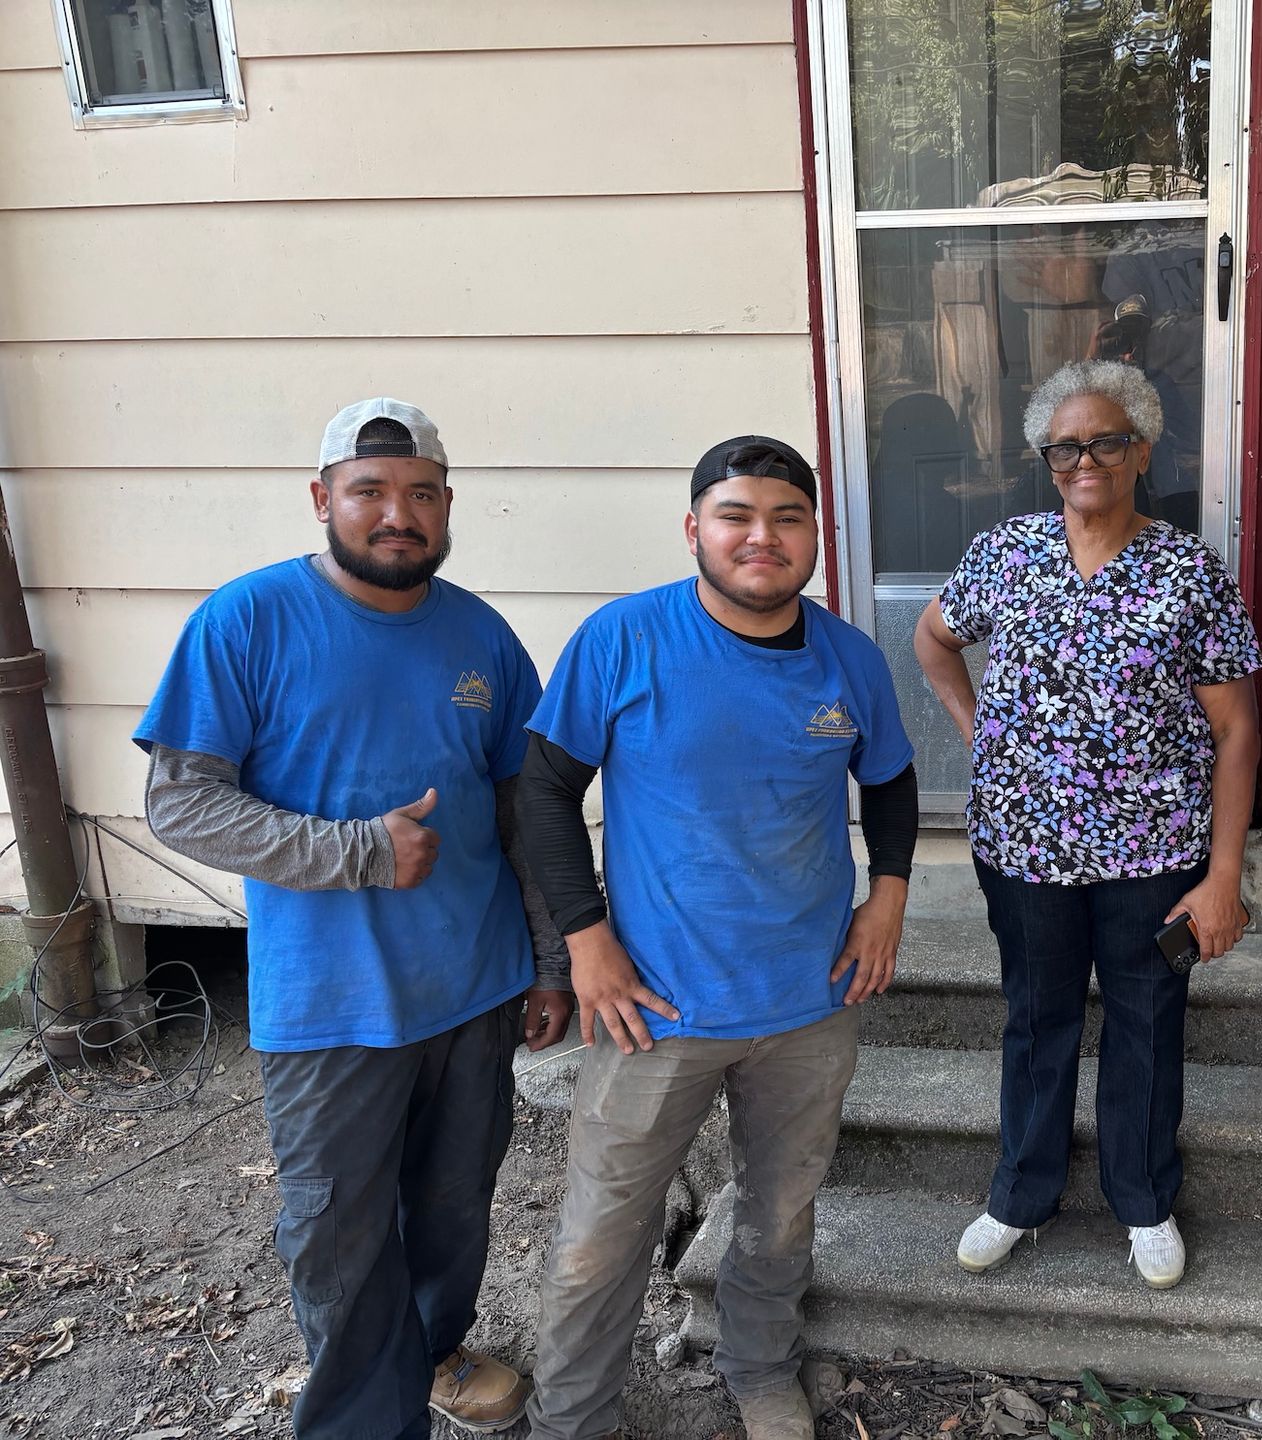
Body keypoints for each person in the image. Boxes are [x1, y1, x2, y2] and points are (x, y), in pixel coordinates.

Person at [134, 398, 573, 1438]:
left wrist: (551, 962)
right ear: (322, 498)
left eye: (420, 494)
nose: (396, 514)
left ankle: (431, 1352)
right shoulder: (246, 621)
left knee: (456, 1204)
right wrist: (356, 852)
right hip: (328, 1004)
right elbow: (180, 800)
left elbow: (527, 813)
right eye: (370, 491)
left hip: (474, 988)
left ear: (448, 505)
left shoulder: (481, 636)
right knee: (335, 1228)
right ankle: (361, 1418)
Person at [518, 436, 918, 1440]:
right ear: (694, 528)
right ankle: (575, 1415)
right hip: (655, 998)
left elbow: (895, 781)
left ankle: (760, 1369)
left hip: (807, 999)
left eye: (787, 518)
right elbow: (546, 791)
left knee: (780, 1213)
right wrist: (585, 939)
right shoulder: (624, 639)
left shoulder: (849, 659)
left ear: (814, 537)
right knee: (601, 1236)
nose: (762, 537)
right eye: (737, 515)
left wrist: (890, 897)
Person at [913, 359, 1262, 1290]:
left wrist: (1222, 874)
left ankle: (1144, 1200)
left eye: (1106, 440)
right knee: (1037, 1017)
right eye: (1065, 446)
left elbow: (1236, 731)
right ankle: (1020, 1194)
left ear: (1142, 449)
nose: (1085, 460)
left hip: (1153, 850)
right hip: (1023, 847)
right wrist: (977, 726)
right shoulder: (1004, 552)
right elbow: (933, 639)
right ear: (1047, 459)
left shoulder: (1189, 570)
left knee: (1147, 1015)